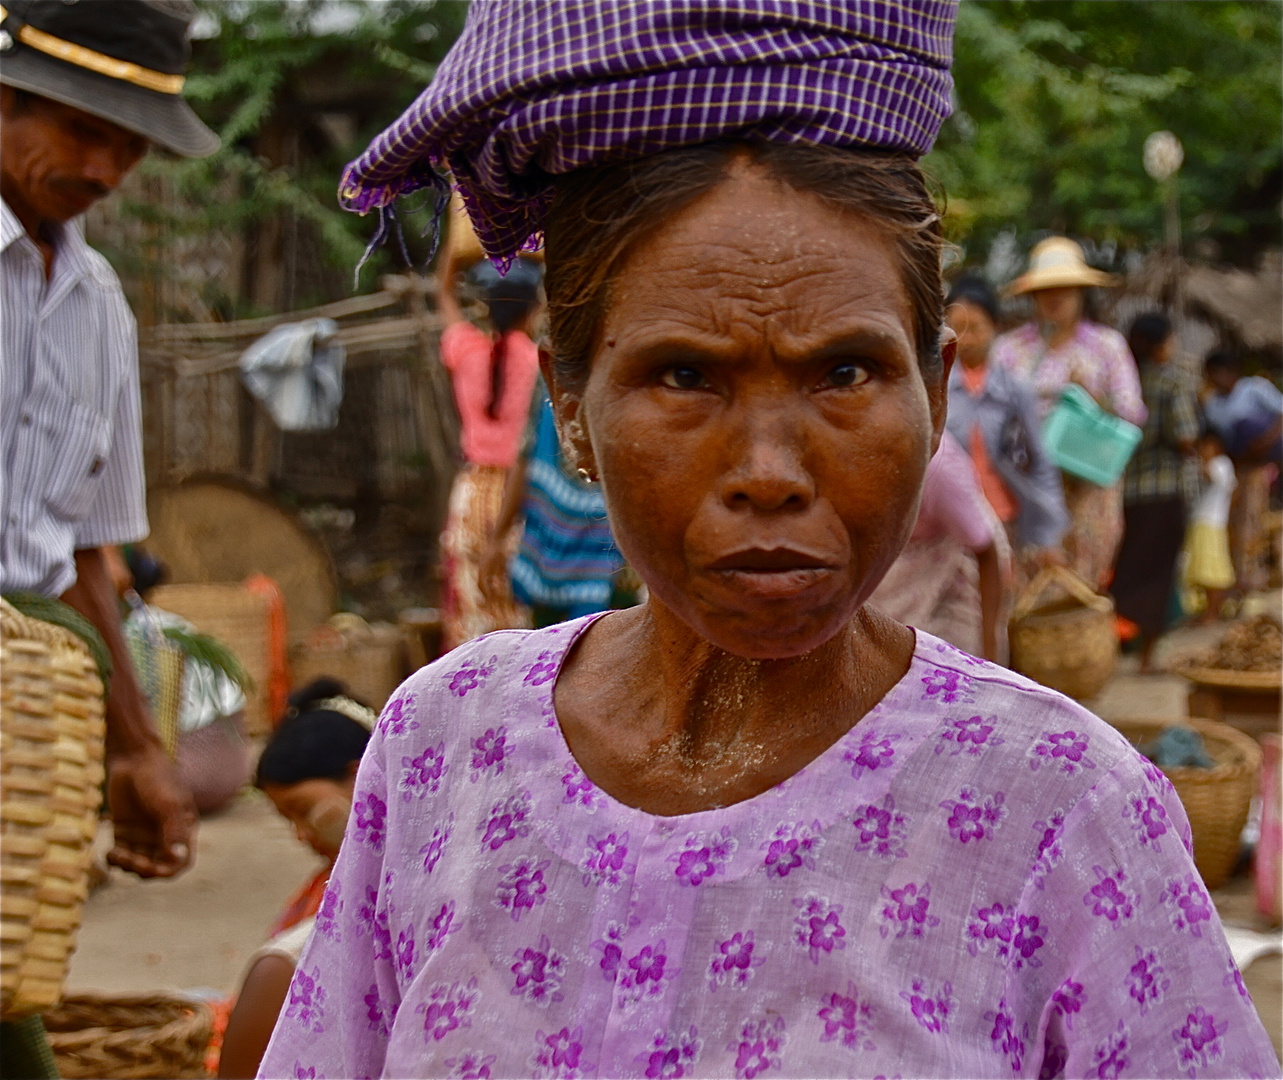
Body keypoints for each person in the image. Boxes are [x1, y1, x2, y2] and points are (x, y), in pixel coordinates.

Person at [264, 4, 1279, 1078]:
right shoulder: (443, 746)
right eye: (683, 377)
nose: (768, 472)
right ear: (569, 405)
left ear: (932, 395)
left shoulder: (1065, 810)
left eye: (844, 373)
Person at [0, 2, 215, 1073]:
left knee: (12, 985)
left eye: (129, 143)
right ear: (4, 99)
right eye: (85, 130)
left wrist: (136, 750)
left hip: (36, 707)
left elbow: (91, 554)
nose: (107, 166)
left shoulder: (99, 306)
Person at [215, 679, 375, 1079]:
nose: (301, 834)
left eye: (304, 810)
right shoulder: (324, 886)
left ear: (360, 776)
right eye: (288, 820)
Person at [991, 238, 1147, 591]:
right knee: (1032, 578)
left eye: (1064, 289)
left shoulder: (1106, 346)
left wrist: (1093, 402)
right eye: (1047, 290)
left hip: (1090, 481)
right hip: (1029, 482)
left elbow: (1132, 412)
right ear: (1032, 295)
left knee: (1085, 576)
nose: (1055, 298)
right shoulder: (1010, 350)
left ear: (1080, 293)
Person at [436, 253, 543, 649]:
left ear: (485, 308)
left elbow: (443, 294)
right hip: (518, 497)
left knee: (471, 609)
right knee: (517, 616)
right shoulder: (537, 362)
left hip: (471, 491)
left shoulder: (466, 351)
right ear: (533, 311)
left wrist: (452, 261)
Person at [943, 275, 1068, 574]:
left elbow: (1038, 461)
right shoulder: (934, 387)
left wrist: (1048, 535)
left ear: (995, 328)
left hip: (1005, 517)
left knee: (1003, 605)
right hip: (949, 522)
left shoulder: (1015, 390)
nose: (967, 339)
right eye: (957, 328)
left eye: (976, 328)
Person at [479, 390, 628, 627]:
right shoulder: (550, 379)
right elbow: (526, 452)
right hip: (545, 551)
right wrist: (498, 537)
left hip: (609, 559)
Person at [868, 430, 1006, 662]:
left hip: (948, 586)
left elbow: (986, 551)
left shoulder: (937, 469)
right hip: (894, 583)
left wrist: (990, 651)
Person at [1112, 313, 1199, 670]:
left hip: (1128, 491)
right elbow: (1185, 435)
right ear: (1160, 343)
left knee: (1129, 569)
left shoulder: (1123, 381)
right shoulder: (1170, 381)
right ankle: (1148, 656)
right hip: (1164, 490)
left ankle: (1117, 646)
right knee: (1159, 572)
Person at [1202, 350, 1283, 594]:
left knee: (1255, 519)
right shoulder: (1212, 404)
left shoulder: (1255, 388)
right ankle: (1245, 577)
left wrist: (1264, 443)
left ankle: (1257, 576)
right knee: (1240, 522)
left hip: (1263, 465)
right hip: (1238, 467)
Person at [1182, 432, 1239, 621]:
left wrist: (1200, 458)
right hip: (1199, 521)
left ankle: (1213, 612)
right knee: (1200, 571)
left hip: (1212, 523)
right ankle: (1206, 610)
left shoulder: (1221, 464)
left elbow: (1210, 477)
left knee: (1213, 570)